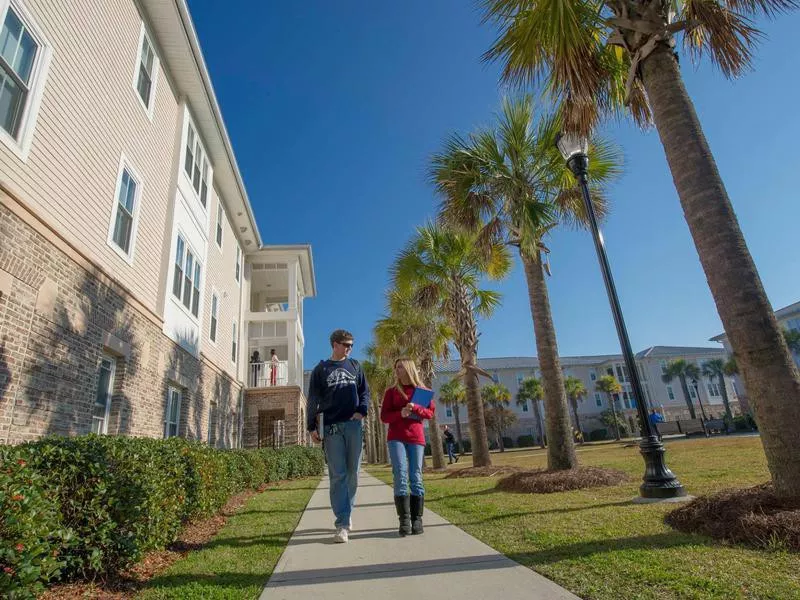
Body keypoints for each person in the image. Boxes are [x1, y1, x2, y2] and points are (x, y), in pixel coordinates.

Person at [307, 329, 369, 543]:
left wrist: (362, 410)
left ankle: (347, 512)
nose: (349, 348)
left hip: (353, 426)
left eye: (351, 345)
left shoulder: (355, 366)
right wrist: (311, 427)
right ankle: (342, 523)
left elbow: (364, 392)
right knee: (338, 475)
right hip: (331, 428)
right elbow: (313, 399)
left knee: (353, 473)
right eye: (346, 345)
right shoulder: (321, 369)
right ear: (334, 344)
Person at [380, 357, 435, 536]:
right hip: (396, 437)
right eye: (396, 367)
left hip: (416, 438)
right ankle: (404, 520)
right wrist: (401, 413)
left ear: (409, 369)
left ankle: (417, 520)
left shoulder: (422, 391)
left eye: (401, 367)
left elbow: (430, 413)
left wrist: (416, 408)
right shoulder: (391, 392)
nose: (397, 370)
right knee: (400, 475)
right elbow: (384, 416)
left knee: (416, 476)